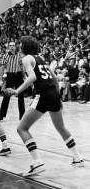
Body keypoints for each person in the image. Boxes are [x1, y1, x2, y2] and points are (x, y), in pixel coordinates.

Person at [6, 36, 84, 177]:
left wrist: (17, 91)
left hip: (42, 95)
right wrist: (58, 97)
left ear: (24, 47)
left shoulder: (26, 59)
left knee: (21, 128)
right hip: (53, 93)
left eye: (20, 44)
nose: (19, 46)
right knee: (61, 127)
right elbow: (54, 78)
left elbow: (32, 78)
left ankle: (37, 161)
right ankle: (77, 157)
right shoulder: (40, 58)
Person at [0, 41, 25, 122]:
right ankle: (1, 115)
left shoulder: (19, 55)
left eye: (13, 45)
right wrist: (1, 79)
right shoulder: (5, 56)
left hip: (19, 75)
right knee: (6, 96)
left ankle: (22, 116)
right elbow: (2, 68)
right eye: (10, 45)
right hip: (10, 76)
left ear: (15, 47)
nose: (12, 47)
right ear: (8, 47)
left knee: (21, 96)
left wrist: (24, 76)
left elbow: (22, 66)